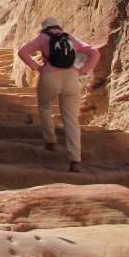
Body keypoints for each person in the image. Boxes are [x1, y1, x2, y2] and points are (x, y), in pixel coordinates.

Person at [17, 17, 101, 173]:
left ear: (44, 28)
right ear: (59, 27)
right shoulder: (70, 37)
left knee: (45, 108)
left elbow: (23, 52)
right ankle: (75, 160)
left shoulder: (43, 38)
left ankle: (50, 141)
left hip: (49, 77)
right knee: (71, 120)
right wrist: (82, 70)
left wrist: (37, 67)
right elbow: (94, 53)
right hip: (71, 78)